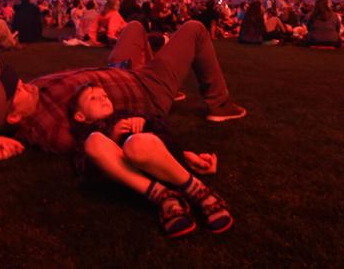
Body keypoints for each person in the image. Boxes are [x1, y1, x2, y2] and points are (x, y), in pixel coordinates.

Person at [0, 20, 247, 156]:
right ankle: (218, 103)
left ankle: (170, 80)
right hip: (146, 90)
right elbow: (98, 145)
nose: (21, 84)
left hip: (119, 70)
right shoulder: (50, 129)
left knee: (134, 26)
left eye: (13, 82)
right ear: (13, 118)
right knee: (194, 29)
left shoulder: (31, 95)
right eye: (14, 91)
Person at [67, 83, 232, 237]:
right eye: (93, 98)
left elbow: (164, 134)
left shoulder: (127, 114)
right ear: (80, 116)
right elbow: (85, 168)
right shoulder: (85, 135)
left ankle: (198, 190)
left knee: (136, 143)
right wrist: (113, 138)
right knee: (94, 141)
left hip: (156, 158)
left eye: (104, 95)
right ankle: (165, 196)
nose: (103, 98)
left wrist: (145, 122)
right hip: (134, 180)